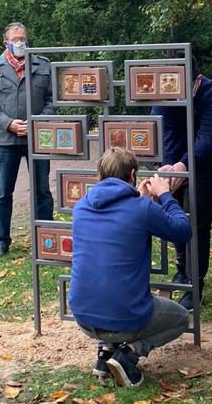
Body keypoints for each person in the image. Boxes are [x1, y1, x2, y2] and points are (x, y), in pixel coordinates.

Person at [69, 147, 192, 387]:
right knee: (180, 318)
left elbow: (118, 225)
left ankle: (105, 354)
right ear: (133, 174)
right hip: (125, 315)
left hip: (83, 315)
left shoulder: (81, 207)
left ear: (100, 176)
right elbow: (182, 230)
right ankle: (129, 355)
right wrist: (165, 195)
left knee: (106, 290)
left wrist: (139, 201)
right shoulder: (141, 209)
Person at [153, 55, 212, 311]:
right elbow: (162, 130)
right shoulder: (164, 90)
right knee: (176, 218)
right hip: (174, 165)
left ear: (196, 80)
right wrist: (166, 166)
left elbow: (208, 139)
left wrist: (183, 165)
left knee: (196, 221)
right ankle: (182, 271)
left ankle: (196, 281)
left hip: (203, 167)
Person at [0, 22, 54, 259]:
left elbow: (52, 100)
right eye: (16, 39)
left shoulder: (43, 65)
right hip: (6, 140)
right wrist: (7, 123)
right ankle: (2, 241)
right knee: (4, 192)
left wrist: (37, 122)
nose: (20, 42)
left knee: (42, 190)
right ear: (6, 43)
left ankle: (47, 238)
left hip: (38, 139)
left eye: (23, 38)